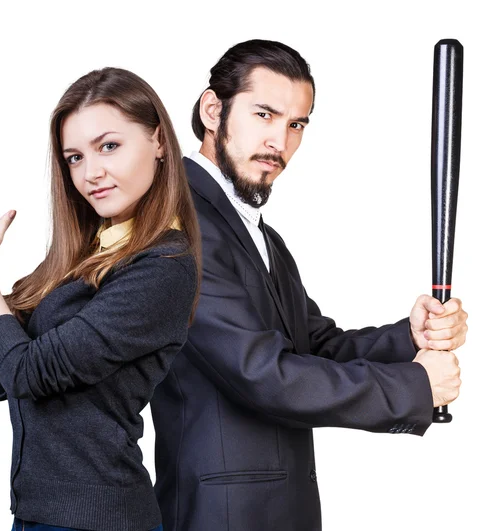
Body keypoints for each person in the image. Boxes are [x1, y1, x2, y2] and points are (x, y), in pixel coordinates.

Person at [150, 39, 468, 531]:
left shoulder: (260, 235)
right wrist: (414, 387)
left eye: (296, 124)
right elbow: (264, 374)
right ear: (213, 109)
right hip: (221, 518)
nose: (280, 140)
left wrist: (411, 337)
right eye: (264, 114)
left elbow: (315, 347)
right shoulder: (180, 228)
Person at [0, 67, 201, 531]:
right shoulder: (88, 253)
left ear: (159, 142)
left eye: (109, 146)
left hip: (100, 521)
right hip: (38, 516)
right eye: (74, 157)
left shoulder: (163, 267)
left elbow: (25, 372)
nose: (90, 172)